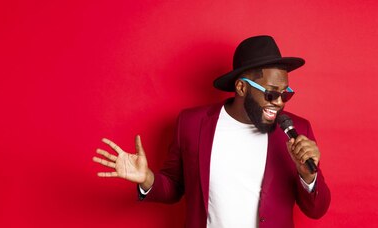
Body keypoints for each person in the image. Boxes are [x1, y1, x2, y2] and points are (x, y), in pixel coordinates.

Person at [93, 35, 331, 227]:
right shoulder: (193, 123)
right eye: (271, 93)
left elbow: (317, 210)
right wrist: (148, 179)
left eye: (285, 94)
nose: (279, 102)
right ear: (241, 87)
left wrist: (308, 176)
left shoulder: (297, 130)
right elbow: (174, 187)